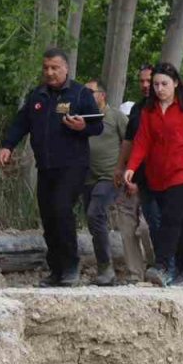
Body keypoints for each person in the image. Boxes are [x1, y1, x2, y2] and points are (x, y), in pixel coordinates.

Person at [0, 48, 103, 287]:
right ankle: (56, 270)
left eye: (55, 68)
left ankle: (70, 267)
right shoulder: (38, 95)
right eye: (46, 68)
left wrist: (82, 127)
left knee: (61, 210)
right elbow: (21, 123)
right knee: (48, 216)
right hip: (46, 167)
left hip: (73, 165)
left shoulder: (80, 94)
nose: (50, 72)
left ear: (66, 68)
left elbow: (97, 126)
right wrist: (7, 145)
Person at [123, 62, 183, 287]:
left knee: (170, 219)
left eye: (164, 84)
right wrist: (131, 167)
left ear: (175, 83)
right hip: (159, 176)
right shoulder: (149, 111)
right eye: (155, 84)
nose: (159, 88)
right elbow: (142, 141)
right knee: (179, 222)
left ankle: (163, 266)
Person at [82, 80, 128, 286]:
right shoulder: (83, 118)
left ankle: (106, 268)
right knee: (93, 220)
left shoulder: (116, 116)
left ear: (102, 95)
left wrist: (127, 171)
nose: (85, 95)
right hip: (86, 178)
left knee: (95, 213)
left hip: (110, 176)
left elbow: (131, 142)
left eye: (90, 92)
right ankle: (104, 267)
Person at [124, 64, 162, 261]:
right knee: (152, 220)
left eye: (150, 81)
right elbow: (129, 141)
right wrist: (122, 168)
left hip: (168, 175)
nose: (146, 85)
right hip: (143, 176)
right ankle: (161, 263)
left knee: (168, 220)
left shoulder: (171, 107)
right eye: (142, 81)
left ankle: (177, 265)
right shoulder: (137, 110)